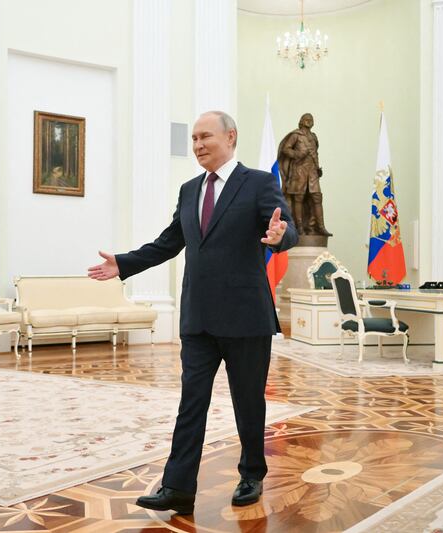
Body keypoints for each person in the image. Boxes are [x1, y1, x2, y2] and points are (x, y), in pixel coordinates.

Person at [88, 111, 298, 515]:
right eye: (194, 140)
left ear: (231, 136)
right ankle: (178, 487)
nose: (199, 145)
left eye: (206, 137)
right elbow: (170, 241)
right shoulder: (189, 190)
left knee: (248, 402)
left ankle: (252, 473)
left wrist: (279, 237)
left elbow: (284, 227)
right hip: (199, 318)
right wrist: (125, 263)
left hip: (246, 316)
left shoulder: (258, 183)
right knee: (191, 404)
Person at [277, 113, 332, 236]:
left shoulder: (313, 137)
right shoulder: (296, 135)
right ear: (301, 121)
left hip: (312, 172)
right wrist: (297, 154)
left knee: (317, 197)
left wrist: (317, 168)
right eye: (306, 119)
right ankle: (299, 227)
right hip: (299, 171)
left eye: (311, 119)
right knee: (299, 198)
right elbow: (285, 149)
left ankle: (320, 226)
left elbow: (315, 154)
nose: (309, 121)